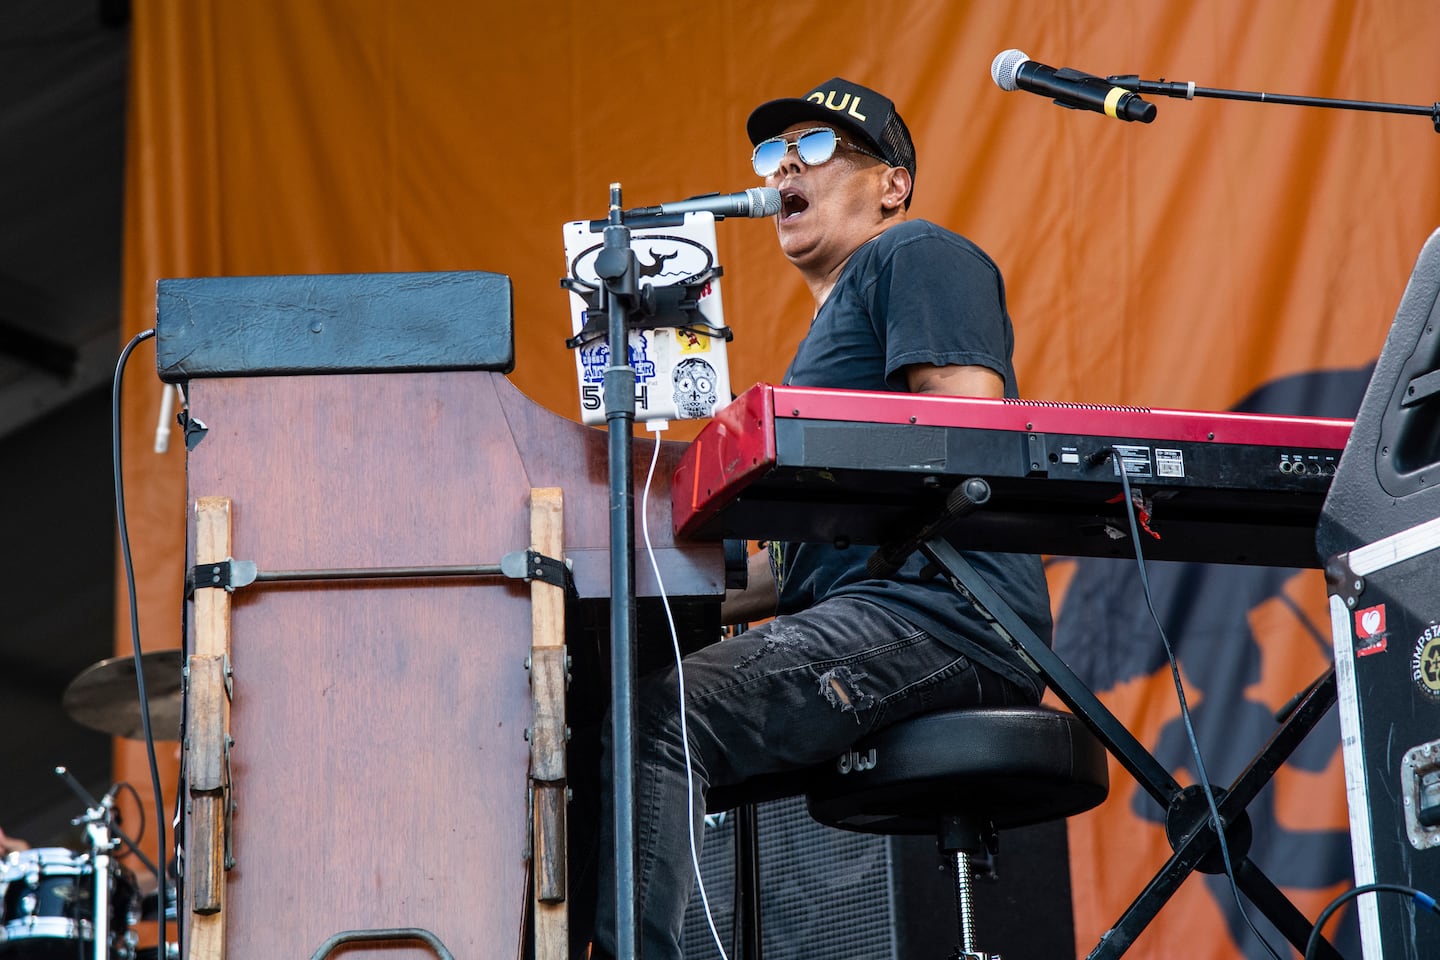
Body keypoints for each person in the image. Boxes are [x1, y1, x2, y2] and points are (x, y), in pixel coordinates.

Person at [588, 77, 1053, 960]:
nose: (785, 165)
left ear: (893, 184)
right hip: (881, 615)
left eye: (818, 147)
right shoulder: (825, 347)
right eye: (771, 153)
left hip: (943, 619)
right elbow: (802, 567)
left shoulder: (915, 253)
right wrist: (625, 581)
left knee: (663, 718)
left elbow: (967, 427)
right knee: (608, 699)